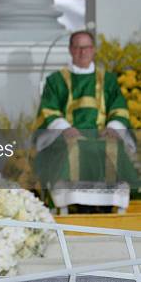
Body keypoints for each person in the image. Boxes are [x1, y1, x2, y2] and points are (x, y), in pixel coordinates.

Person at [33, 30, 138, 211]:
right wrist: (64, 128)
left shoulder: (108, 80)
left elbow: (119, 108)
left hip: (102, 134)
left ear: (93, 50)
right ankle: (66, 205)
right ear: (70, 50)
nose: (82, 52)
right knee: (73, 147)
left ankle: (115, 206)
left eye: (87, 47)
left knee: (113, 146)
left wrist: (113, 127)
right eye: (78, 47)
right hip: (67, 135)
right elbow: (48, 110)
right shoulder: (56, 80)